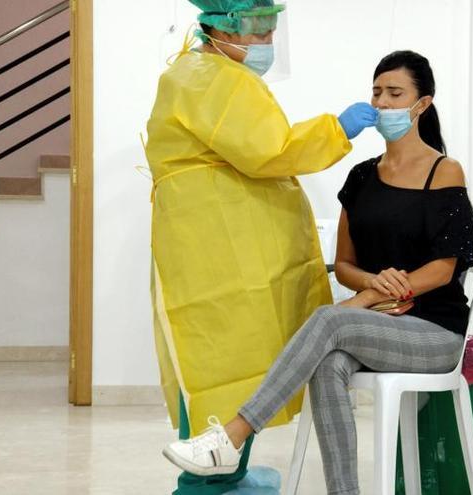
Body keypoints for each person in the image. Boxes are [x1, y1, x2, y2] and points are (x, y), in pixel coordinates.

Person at [162, 50, 473, 495]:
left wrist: (384, 292)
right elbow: (346, 264)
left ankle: (232, 436)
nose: (383, 103)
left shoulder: (444, 171)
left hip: (433, 331)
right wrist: (369, 287)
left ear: (422, 104)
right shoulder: (361, 177)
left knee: (331, 319)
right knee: (328, 363)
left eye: (395, 94)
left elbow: (445, 269)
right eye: (377, 93)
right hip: (373, 322)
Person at [145, 1, 378, 493]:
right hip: (220, 248)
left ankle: (230, 471)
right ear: (222, 27)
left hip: (218, 241)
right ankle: (205, 483)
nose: (267, 41)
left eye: (272, 28)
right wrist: (337, 129)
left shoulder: (201, 73)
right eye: (257, 29)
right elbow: (270, 149)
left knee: (239, 362)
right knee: (223, 364)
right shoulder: (213, 79)